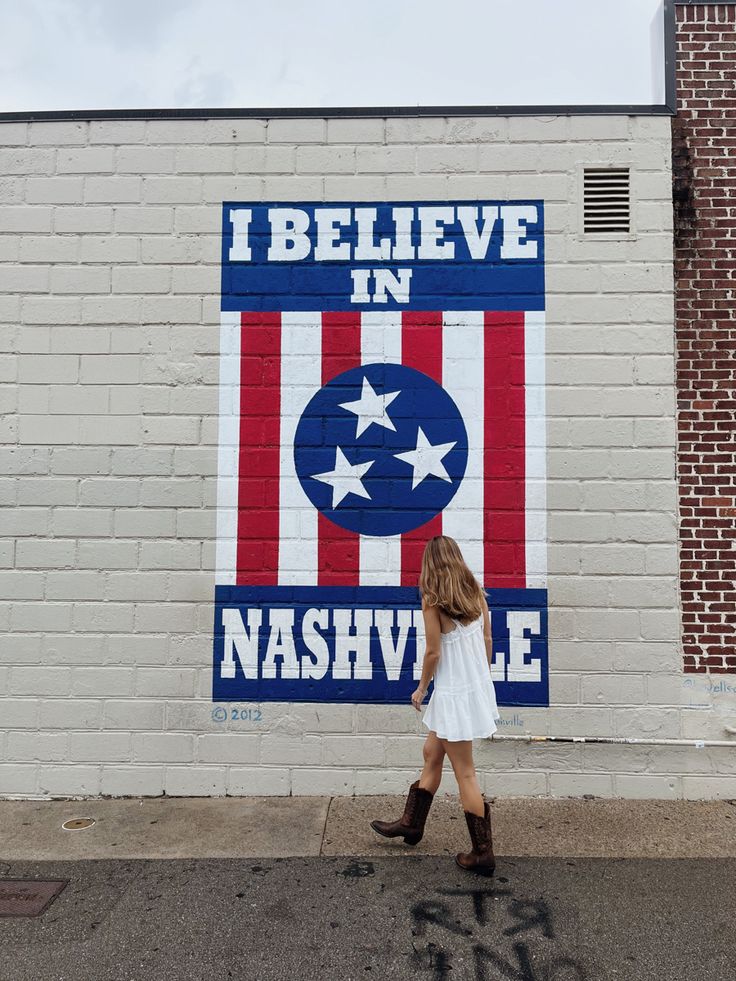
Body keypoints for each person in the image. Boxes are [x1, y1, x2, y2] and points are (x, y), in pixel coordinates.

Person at [369, 535, 500, 876]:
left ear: (429, 565)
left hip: (455, 695)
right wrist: (479, 679)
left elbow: (433, 652)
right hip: (467, 691)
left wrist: (421, 688)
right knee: (432, 752)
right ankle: (411, 824)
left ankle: (482, 852)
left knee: (466, 773)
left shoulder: (432, 601)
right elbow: (487, 639)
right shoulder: (475, 591)